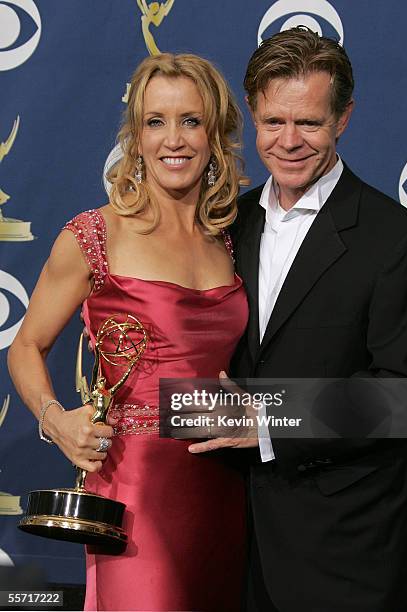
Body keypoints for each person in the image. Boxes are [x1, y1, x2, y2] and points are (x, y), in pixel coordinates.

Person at [8, 53, 249, 611]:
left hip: (226, 485)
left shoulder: (233, 238)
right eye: (155, 122)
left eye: (191, 120)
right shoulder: (95, 234)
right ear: (135, 137)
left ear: (215, 134)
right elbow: (26, 345)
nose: (175, 139)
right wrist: (54, 420)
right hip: (135, 486)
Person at [188, 28, 407, 612]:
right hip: (227, 537)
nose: (288, 142)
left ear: (344, 118)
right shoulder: (225, 224)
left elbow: (401, 395)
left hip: (341, 551)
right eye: (272, 122)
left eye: (309, 123)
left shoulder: (394, 238)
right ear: (251, 117)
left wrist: (269, 419)